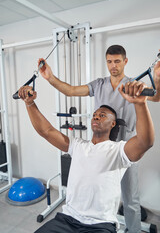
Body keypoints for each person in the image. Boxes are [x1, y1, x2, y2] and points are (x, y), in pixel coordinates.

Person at [37, 45, 160, 232]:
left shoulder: (132, 85)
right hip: (99, 152)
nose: (113, 66)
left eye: (117, 61)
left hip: (125, 151)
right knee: (92, 194)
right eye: (109, 61)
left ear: (125, 61)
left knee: (131, 200)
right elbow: (70, 90)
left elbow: (156, 96)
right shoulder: (99, 84)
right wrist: (50, 78)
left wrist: (157, 78)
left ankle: (133, 230)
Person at [18, 81, 154, 233]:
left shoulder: (119, 150)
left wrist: (140, 104)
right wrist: (30, 104)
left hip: (100, 225)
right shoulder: (77, 145)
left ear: (113, 123)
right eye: (95, 115)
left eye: (102, 115)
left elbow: (145, 142)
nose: (96, 117)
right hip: (67, 220)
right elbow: (47, 131)